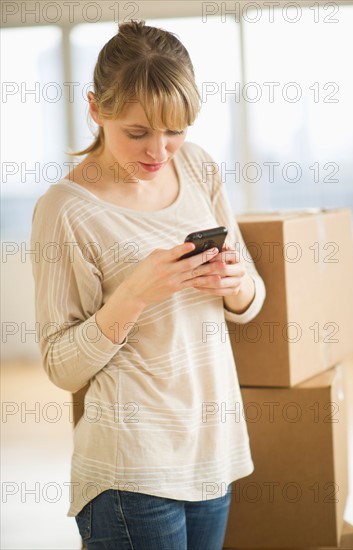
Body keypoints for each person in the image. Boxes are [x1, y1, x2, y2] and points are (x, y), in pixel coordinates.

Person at [30, 20, 266, 550]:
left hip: (213, 451)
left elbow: (249, 301)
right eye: (137, 133)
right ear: (95, 108)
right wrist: (135, 293)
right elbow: (61, 366)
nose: (159, 151)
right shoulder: (65, 210)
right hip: (131, 469)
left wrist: (235, 284)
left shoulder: (199, 166)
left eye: (175, 130)